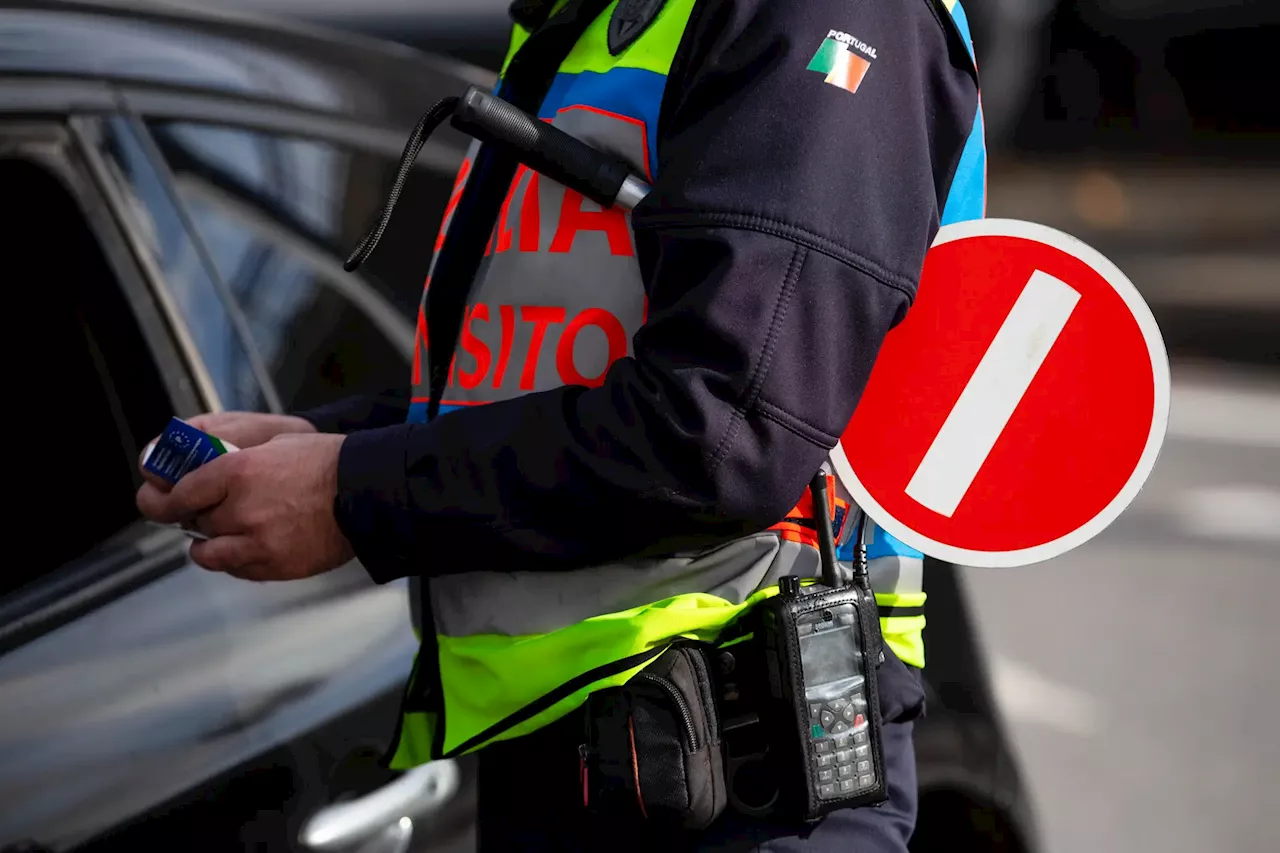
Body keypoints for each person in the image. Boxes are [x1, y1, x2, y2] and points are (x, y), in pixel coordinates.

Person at [137, 0, 986, 848]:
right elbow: (560, 371)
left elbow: (723, 430)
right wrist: (343, 446)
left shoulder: (822, 15)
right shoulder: (603, 15)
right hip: (586, 755)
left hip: (748, 774)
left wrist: (353, 490)